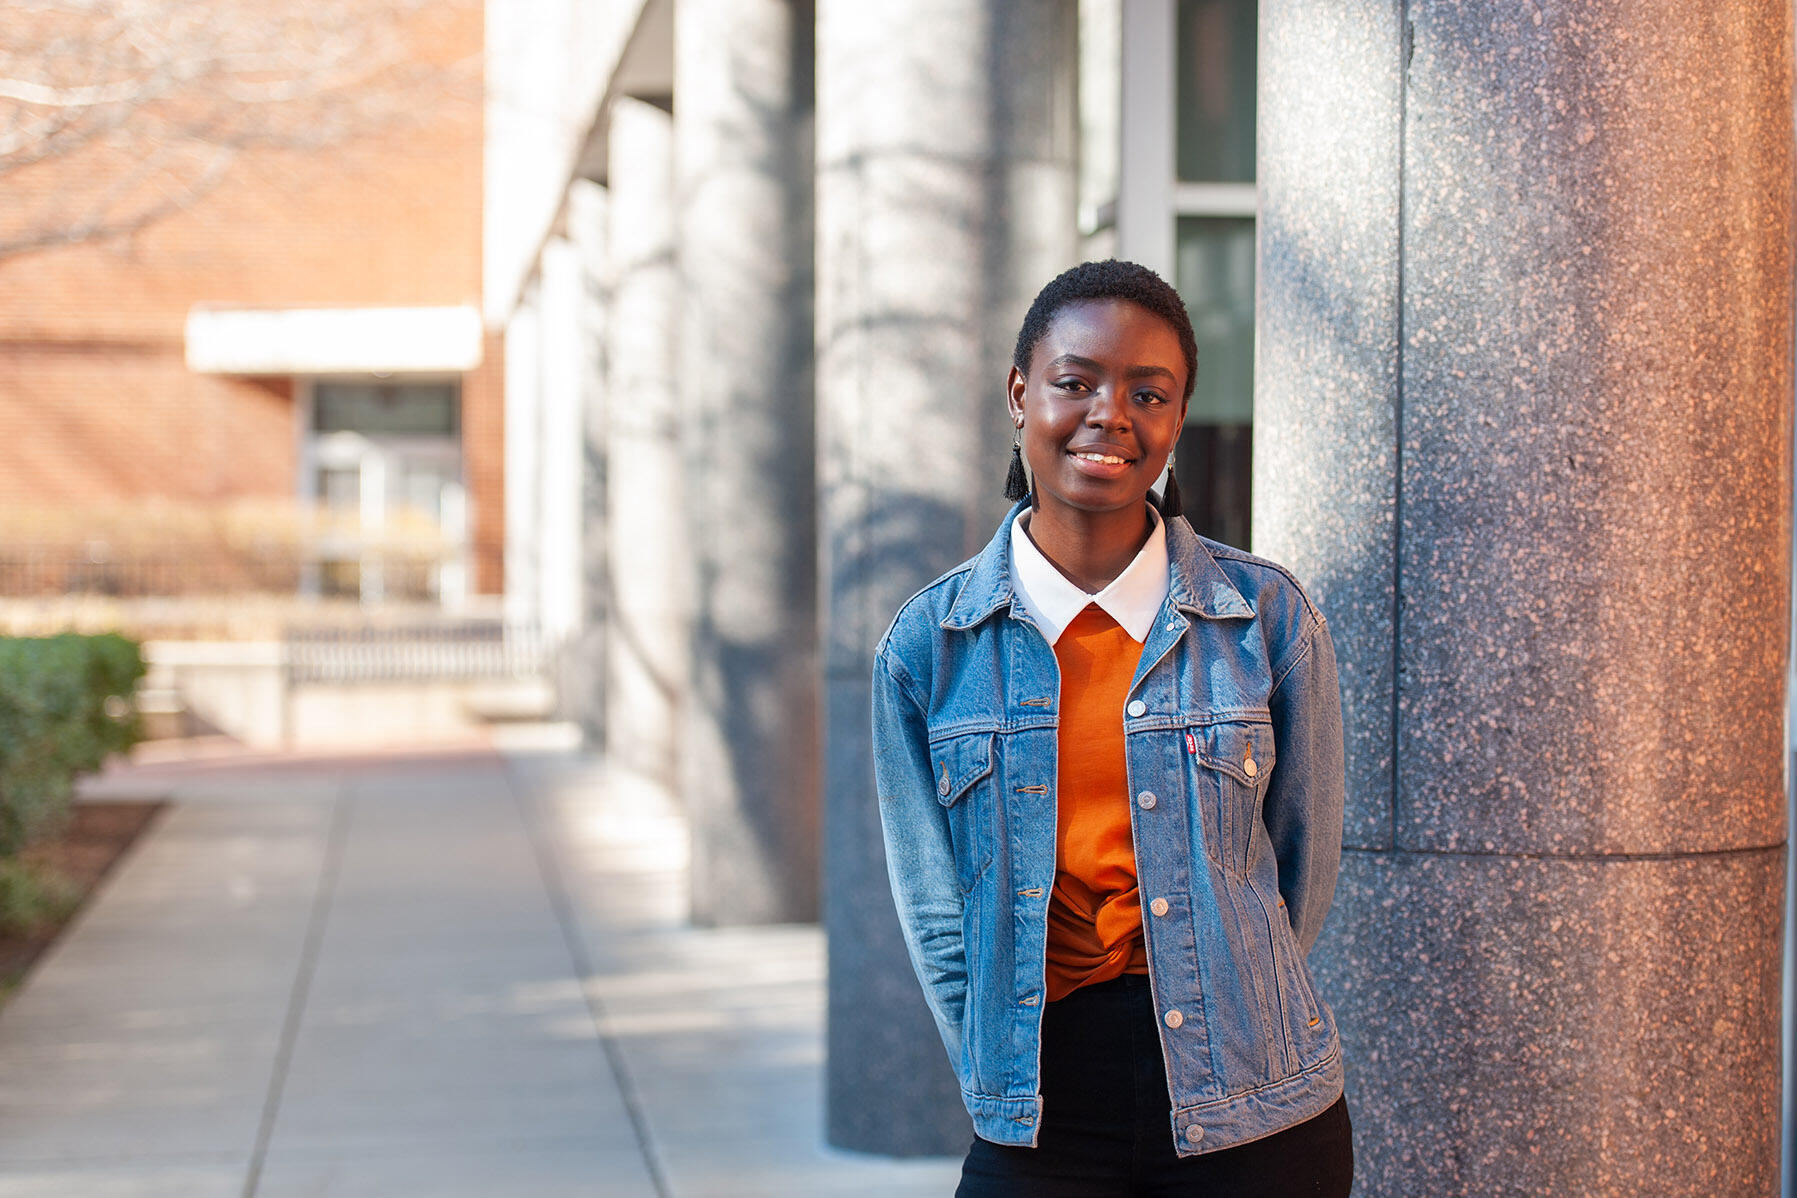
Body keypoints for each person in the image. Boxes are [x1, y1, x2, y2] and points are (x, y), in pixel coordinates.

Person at [871, 259, 1353, 1197]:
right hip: (1041, 1106)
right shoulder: (929, 647)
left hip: (1255, 1105)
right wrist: (994, 1071)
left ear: (1176, 420)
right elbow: (936, 914)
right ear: (1021, 394)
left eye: (1148, 393)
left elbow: (1302, 868)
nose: (1110, 415)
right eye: (1075, 381)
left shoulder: (1265, 619)